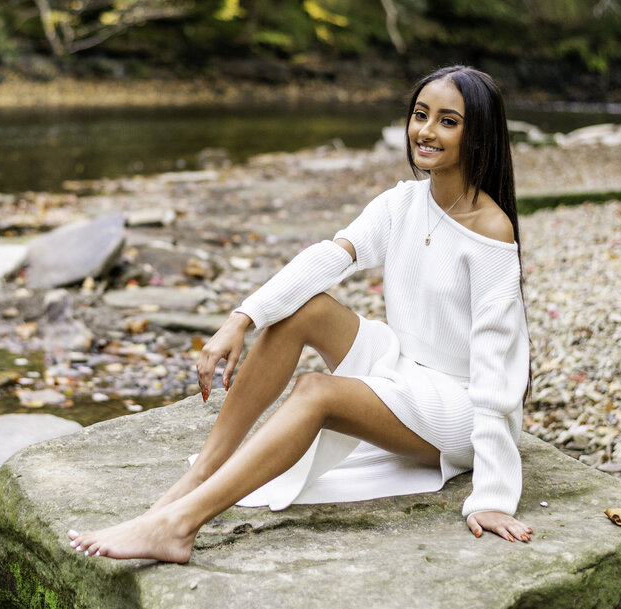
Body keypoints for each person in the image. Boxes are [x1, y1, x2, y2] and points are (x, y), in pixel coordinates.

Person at [68, 65, 533, 562]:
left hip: (457, 410)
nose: (425, 131)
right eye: (420, 115)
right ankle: (197, 477)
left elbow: (497, 371)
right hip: (405, 368)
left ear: (478, 135)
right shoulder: (403, 202)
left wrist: (492, 496)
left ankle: (179, 527)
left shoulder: (491, 232)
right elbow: (331, 256)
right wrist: (241, 319)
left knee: (316, 391)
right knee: (302, 310)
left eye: (447, 121)